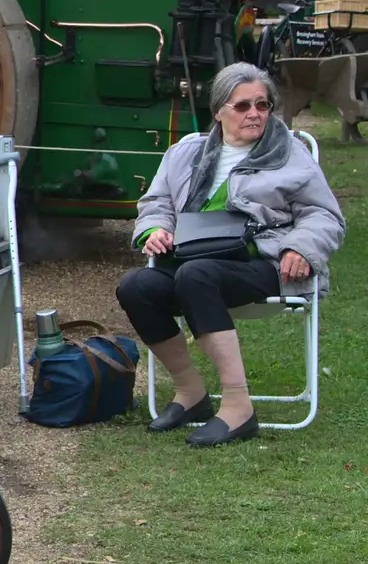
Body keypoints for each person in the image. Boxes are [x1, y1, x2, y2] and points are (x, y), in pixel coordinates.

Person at [115, 63, 344, 447]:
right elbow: (156, 203)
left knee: (196, 275)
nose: (254, 113)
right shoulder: (185, 152)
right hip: (193, 259)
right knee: (137, 285)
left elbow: (324, 215)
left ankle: (239, 408)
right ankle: (192, 394)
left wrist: (300, 247)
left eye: (262, 104)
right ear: (219, 110)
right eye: (242, 106)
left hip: (265, 263)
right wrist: (154, 231)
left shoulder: (289, 154)